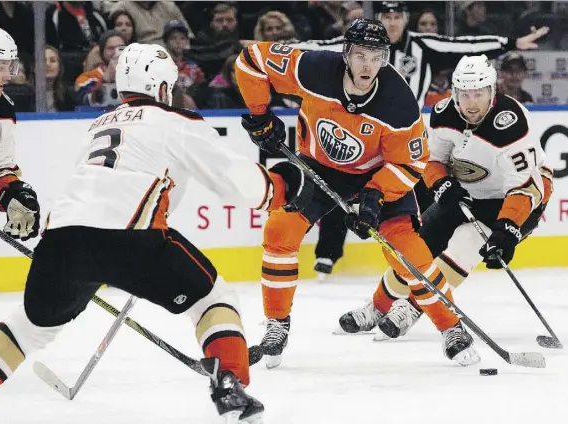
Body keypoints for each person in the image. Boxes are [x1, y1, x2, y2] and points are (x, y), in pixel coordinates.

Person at [0, 43, 314, 424]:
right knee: (212, 300)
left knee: (26, 329)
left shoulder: (98, 125)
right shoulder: (175, 121)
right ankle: (230, 385)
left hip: (61, 242)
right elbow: (238, 183)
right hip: (132, 239)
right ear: (164, 87)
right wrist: (284, 184)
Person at [236, 19, 474, 368]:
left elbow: (411, 164)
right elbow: (251, 59)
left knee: (409, 252)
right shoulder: (314, 69)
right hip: (317, 167)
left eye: (376, 56)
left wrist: (375, 196)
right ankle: (276, 323)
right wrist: (260, 116)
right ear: (346, 53)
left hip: (376, 175)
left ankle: (450, 327)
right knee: (279, 230)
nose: (367, 65)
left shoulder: (398, 102)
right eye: (360, 55)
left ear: (385, 58)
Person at [296, 0, 549, 278]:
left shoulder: (423, 47)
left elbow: (465, 48)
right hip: (362, 136)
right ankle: (328, 253)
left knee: (427, 200)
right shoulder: (362, 45)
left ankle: (422, 264)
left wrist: (510, 42)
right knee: (343, 185)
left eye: (397, 16)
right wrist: (277, 52)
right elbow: (317, 51)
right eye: (386, 16)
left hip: (404, 141)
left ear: (406, 18)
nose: (392, 22)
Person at [340, 55, 553, 345]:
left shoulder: (511, 122)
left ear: (492, 91)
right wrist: (441, 182)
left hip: (515, 201)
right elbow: (431, 160)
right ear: (454, 93)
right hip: (466, 192)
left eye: (478, 93)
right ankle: (378, 306)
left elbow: (524, 187)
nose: (472, 102)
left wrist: (507, 229)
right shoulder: (443, 114)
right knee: (418, 247)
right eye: (464, 94)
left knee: (464, 245)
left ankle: (412, 309)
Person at [0, 24, 41, 241]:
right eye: (1, 67)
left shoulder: (0, 111)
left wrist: (13, 194)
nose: (9, 76)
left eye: (10, 67)